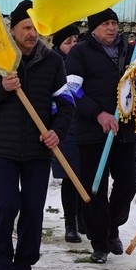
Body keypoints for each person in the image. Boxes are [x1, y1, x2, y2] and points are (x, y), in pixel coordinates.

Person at [0, 1, 70, 270]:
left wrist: (56, 132)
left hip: (38, 149)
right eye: (26, 28)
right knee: (5, 206)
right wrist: (3, 88)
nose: (32, 34)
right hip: (4, 147)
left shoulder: (53, 62)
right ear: (12, 30)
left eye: (36, 28)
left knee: (33, 210)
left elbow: (66, 104)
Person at [64, 8, 136, 265]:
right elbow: (73, 89)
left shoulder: (130, 51)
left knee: (128, 183)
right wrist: (98, 114)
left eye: (114, 23)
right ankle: (99, 242)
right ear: (93, 28)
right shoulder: (80, 53)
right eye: (105, 23)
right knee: (95, 187)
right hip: (93, 131)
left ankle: (112, 226)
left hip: (126, 129)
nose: (111, 28)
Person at [49, 25, 83, 242]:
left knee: (85, 174)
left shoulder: (83, 60)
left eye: (75, 40)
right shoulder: (53, 64)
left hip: (84, 126)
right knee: (71, 177)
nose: (73, 45)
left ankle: (84, 220)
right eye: (68, 42)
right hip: (64, 127)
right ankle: (70, 224)